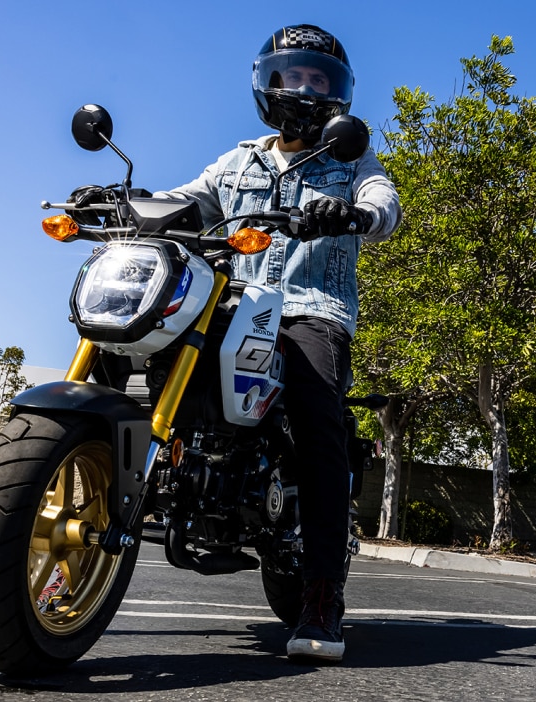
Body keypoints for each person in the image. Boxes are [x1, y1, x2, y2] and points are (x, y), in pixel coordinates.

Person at [154, 24, 401, 662]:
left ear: (339, 94)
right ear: (269, 82)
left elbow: (384, 204)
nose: (308, 89)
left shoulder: (351, 159)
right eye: (296, 76)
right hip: (232, 304)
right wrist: (126, 201)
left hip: (307, 312)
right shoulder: (238, 161)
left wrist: (354, 214)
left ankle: (323, 593)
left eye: (321, 80)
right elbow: (186, 200)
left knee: (319, 415)